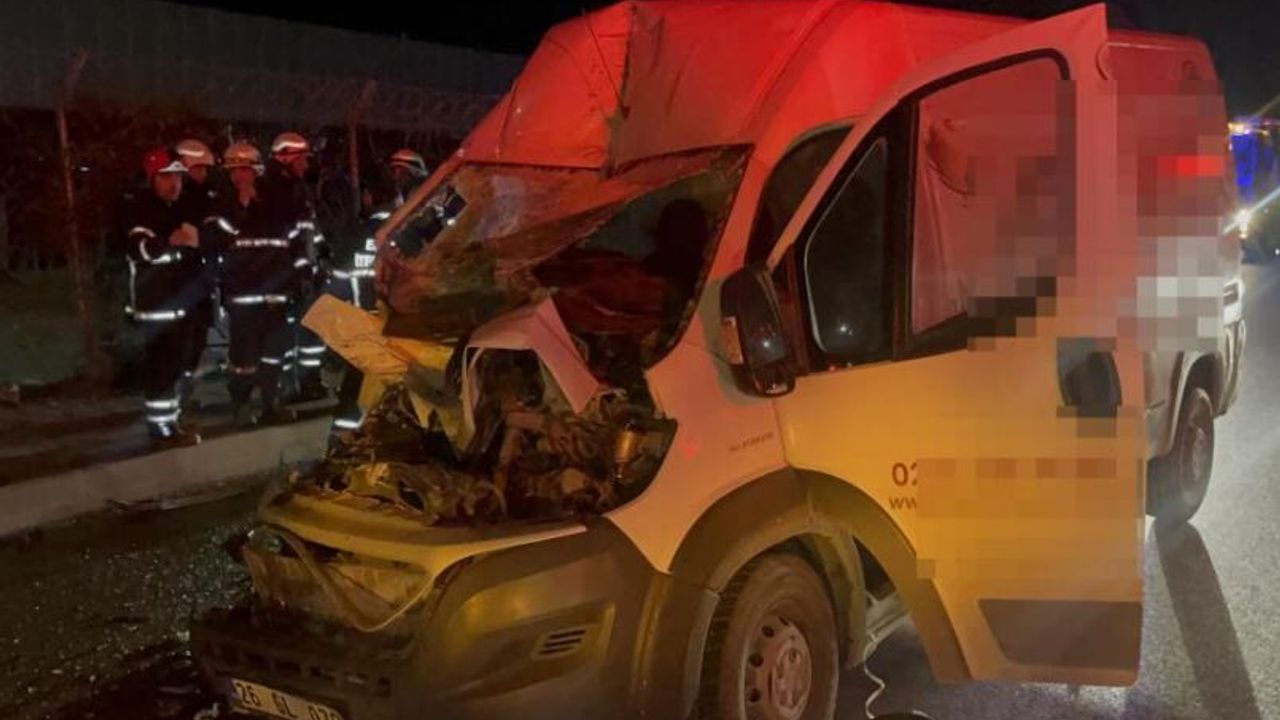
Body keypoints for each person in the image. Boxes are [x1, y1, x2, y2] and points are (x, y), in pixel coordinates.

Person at [203, 142, 309, 426]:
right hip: (243, 295)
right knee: (243, 358)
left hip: (276, 292)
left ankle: (271, 404)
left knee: (274, 353)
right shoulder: (220, 205)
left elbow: (294, 240)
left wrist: (301, 274)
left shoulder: (275, 201)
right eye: (235, 171)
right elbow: (215, 240)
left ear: (257, 171)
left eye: (246, 170)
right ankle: (241, 406)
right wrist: (241, 207)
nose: (241, 176)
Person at [124, 148, 206, 447]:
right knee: (161, 368)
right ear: (152, 179)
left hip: (178, 305)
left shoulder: (178, 210)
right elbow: (139, 250)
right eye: (167, 177)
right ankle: (160, 429)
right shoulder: (142, 211)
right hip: (156, 307)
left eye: (178, 177)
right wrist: (167, 243)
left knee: (175, 365)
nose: (174, 183)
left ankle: (170, 421)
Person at [262, 131, 329, 402]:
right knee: (291, 332)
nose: (305, 164)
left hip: (300, 271)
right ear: (286, 158)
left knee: (306, 328)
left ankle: (306, 382)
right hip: (288, 275)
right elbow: (290, 237)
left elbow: (309, 228)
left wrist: (323, 252)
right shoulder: (278, 190)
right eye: (301, 158)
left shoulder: (296, 187)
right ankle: (292, 386)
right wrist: (303, 270)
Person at [174, 138, 221, 409]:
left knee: (196, 337)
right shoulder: (181, 201)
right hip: (184, 281)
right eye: (199, 168)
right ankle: (180, 395)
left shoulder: (206, 197)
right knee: (186, 340)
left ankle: (185, 393)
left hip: (200, 279)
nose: (204, 174)